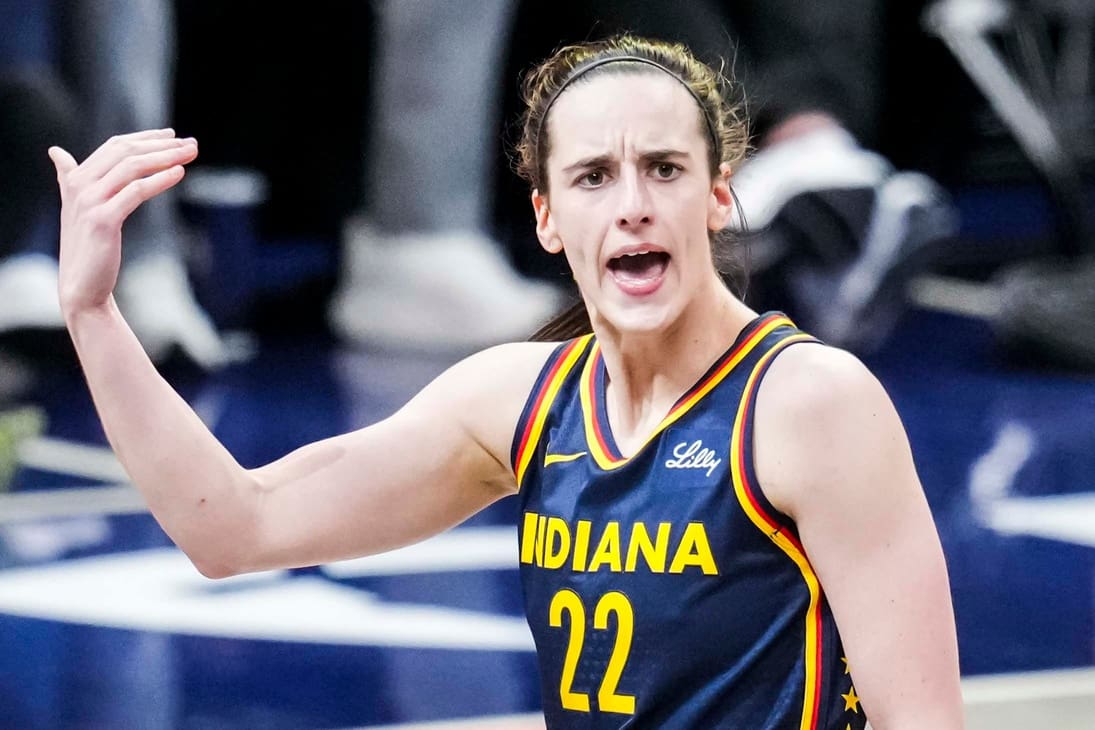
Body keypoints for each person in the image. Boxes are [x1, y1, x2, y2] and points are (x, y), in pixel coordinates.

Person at [48, 34, 963, 729]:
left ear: (719, 196)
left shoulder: (810, 405)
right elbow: (234, 528)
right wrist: (94, 314)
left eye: (665, 169)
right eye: (594, 176)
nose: (633, 202)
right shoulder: (516, 401)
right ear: (548, 217)